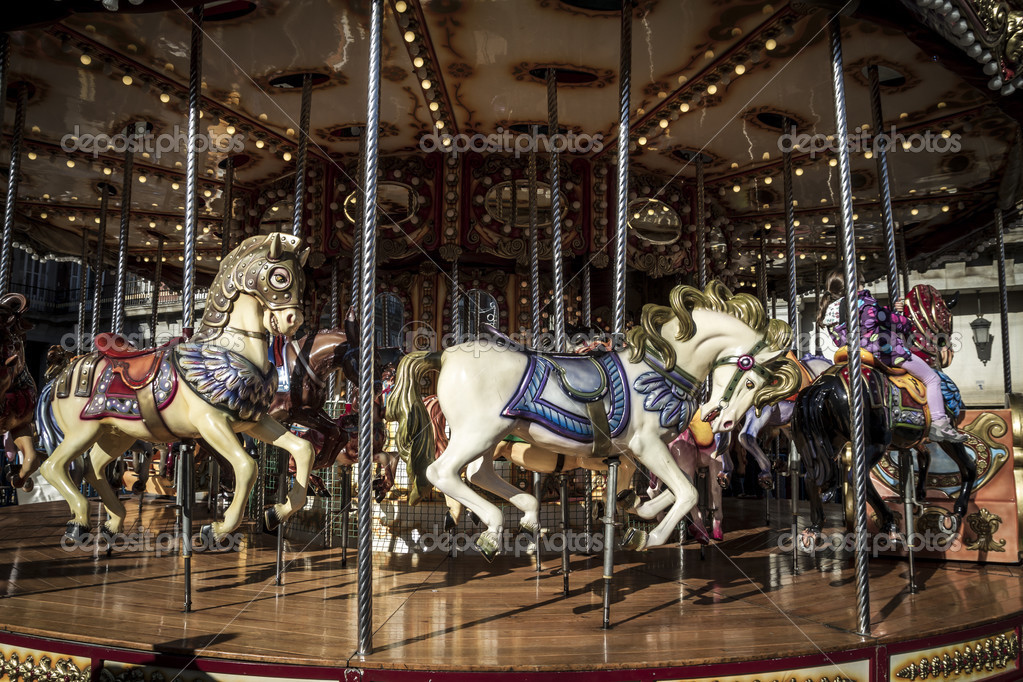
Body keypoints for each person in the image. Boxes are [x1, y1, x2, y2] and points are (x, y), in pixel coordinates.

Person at [817, 268, 966, 443]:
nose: (863, 285)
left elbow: (868, 318)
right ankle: (940, 424)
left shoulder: (829, 311)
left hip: (853, 353)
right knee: (932, 379)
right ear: (855, 284)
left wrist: (888, 310)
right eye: (862, 283)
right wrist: (905, 320)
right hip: (886, 353)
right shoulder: (864, 301)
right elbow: (891, 320)